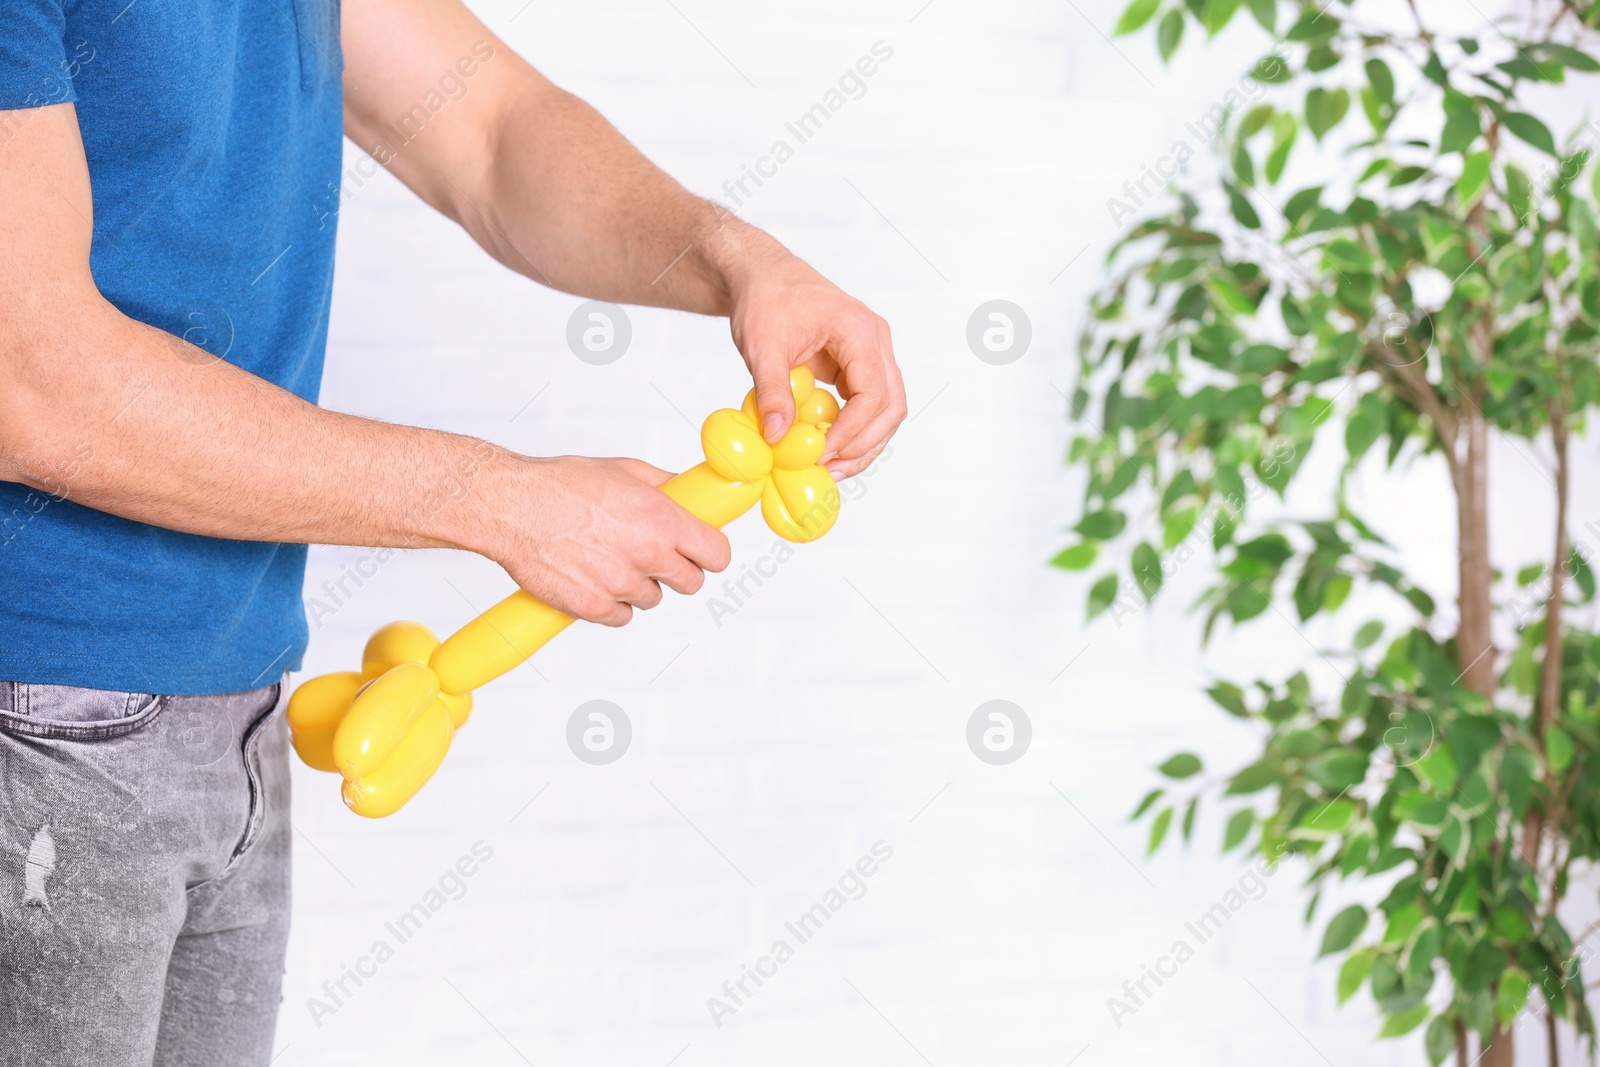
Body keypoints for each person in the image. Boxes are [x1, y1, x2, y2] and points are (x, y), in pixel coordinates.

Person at [0, 0, 905, 1061]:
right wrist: (498, 497)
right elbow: (32, 380)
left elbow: (491, 133)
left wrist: (739, 260)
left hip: (232, 707)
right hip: (36, 719)